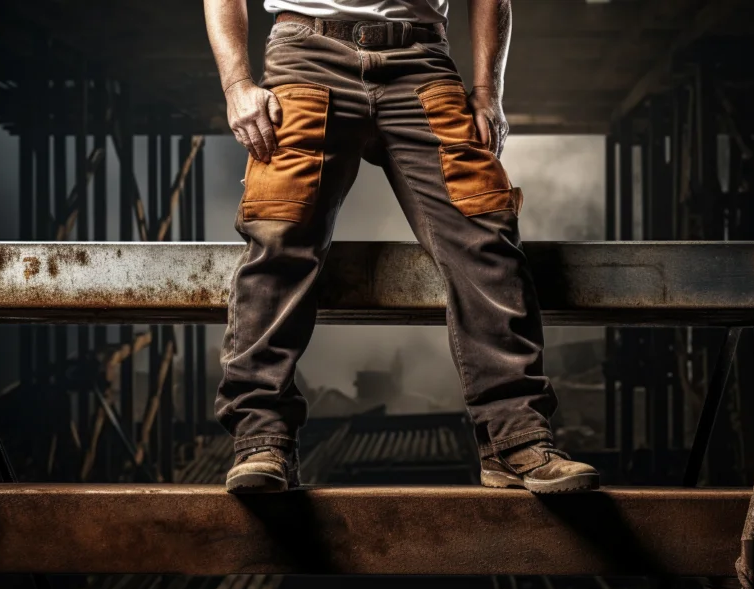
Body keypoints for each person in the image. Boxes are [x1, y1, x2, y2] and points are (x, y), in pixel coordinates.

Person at [203, 0, 599, 494]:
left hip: (421, 62)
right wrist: (237, 84)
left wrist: (486, 92)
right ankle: (260, 439)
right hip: (306, 57)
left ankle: (515, 438)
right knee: (279, 235)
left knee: (486, 234)